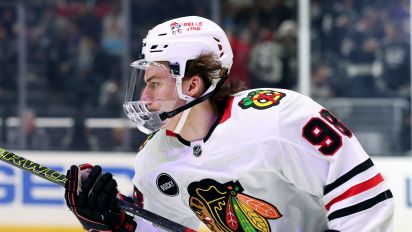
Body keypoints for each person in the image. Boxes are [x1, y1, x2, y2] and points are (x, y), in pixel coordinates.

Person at [64, 16, 394, 232]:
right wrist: (111, 226)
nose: (145, 96)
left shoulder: (277, 117)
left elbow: (365, 201)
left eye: (153, 83)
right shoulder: (154, 161)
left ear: (191, 85)